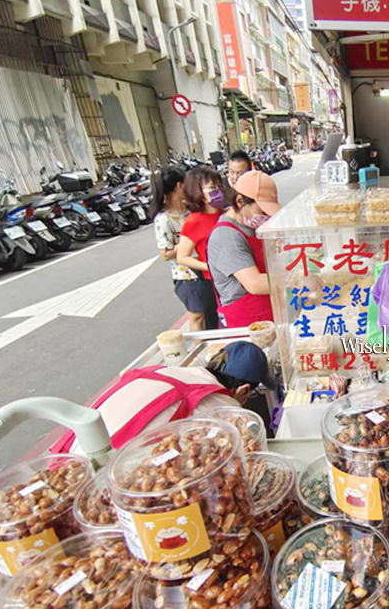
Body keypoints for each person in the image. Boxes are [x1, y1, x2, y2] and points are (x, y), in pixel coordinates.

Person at [51, 341, 276, 454]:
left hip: (67, 452)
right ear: (244, 391)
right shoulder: (220, 406)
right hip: (104, 476)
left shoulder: (162, 370)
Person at [208, 171, 278, 327]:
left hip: (268, 311)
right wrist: (297, 281)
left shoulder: (252, 227)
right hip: (245, 319)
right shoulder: (226, 235)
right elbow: (255, 284)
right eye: (263, 210)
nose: (266, 216)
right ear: (240, 202)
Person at [151, 167, 206, 332]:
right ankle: (200, 352)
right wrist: (186, 242)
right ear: (178, 186)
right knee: (197, 315)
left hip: (206, 268)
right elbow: (165, 254)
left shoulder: (192, 209)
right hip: (187, 275)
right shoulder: (163, 220)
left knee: (211, 313)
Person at [176, 167, 224, 329]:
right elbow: (182, 257)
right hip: (214, 282)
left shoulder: (227, 213)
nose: (217, 191)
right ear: (197, 191)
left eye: (218, 186)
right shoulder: (193, 221)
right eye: (211, 187)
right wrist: (209, 267)